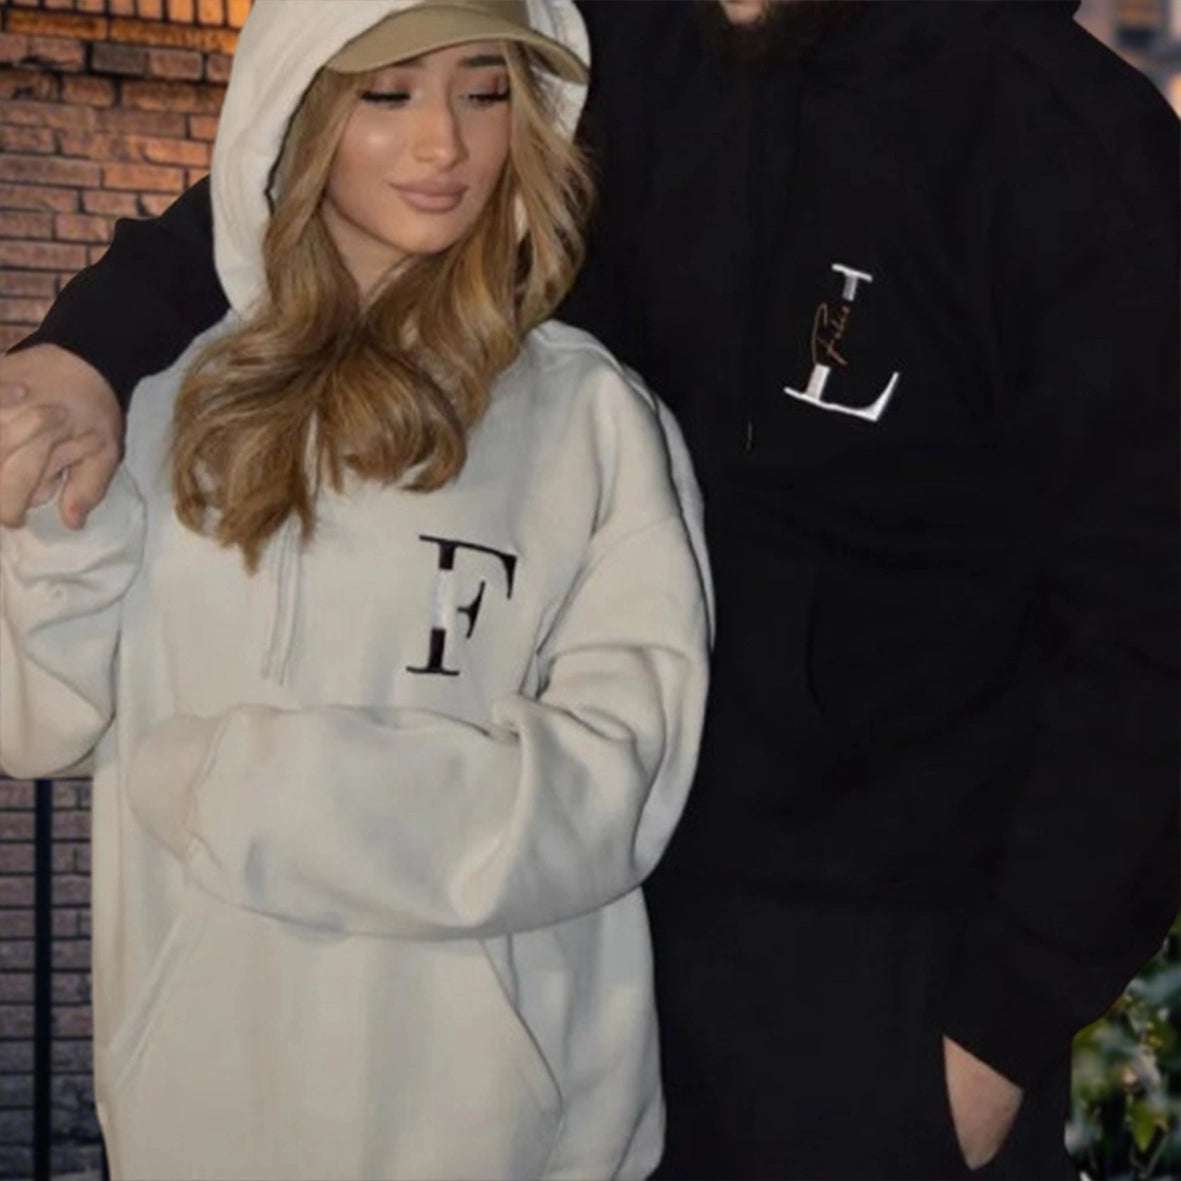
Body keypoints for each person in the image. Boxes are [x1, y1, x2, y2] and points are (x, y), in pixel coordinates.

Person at [2, 1, 1178, 1178]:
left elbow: (1147, 620)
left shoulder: (1054, 131)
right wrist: (87, 346)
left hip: (868, 999)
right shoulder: (602, 40)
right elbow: (290, 156)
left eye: (478, 94)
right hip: (565, 984)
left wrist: (999, 1024)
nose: (445, 131)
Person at [0, 2, 713, 1178]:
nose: (445, 144)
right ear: (298, 106)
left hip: (503, 1138)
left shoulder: (590, 417)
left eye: (485, 92)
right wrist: (44, 519)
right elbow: (36, 717)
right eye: (388, 94)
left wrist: (265, 792)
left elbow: (614, 787)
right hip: (203, 1123)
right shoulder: (162, 399)